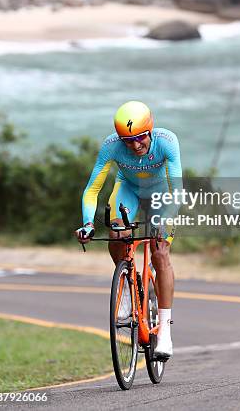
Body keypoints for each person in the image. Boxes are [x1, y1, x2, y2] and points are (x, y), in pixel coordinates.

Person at [75, 100, 182, 358]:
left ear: (150, 130)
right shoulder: (111, 146)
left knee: (160, 252)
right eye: (127, 140)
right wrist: (88, 223)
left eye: (140, 138)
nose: (135, 146)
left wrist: (164, 220)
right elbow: (92, 189)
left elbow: (177, 191)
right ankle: (126, 286)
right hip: (129, 190)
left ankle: (165, 333)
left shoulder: (167, 141)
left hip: (160, 195)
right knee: (117, 233)